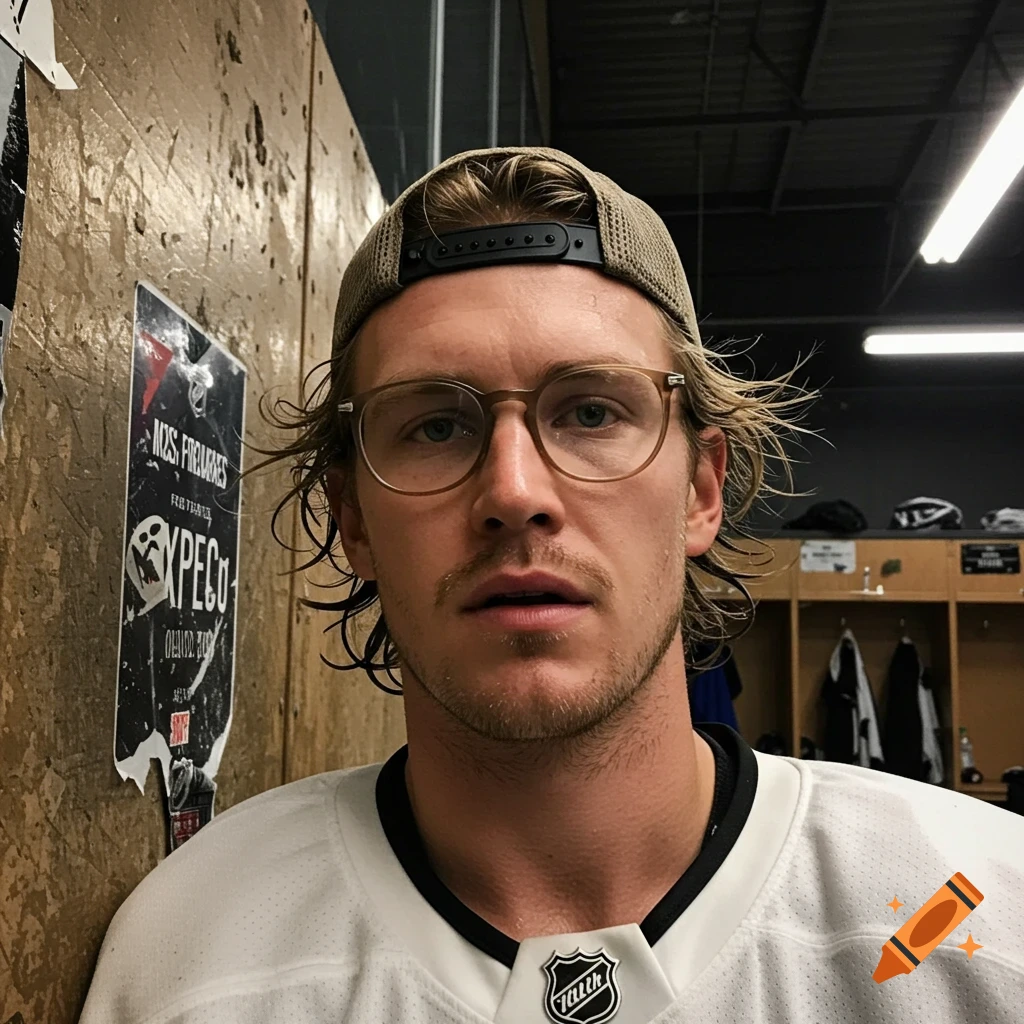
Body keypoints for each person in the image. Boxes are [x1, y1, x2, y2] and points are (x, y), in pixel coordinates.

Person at [80, 147, 1024, 1024]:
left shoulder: (977, 914)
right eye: (435, 426)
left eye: (591, 411)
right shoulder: (191, 960)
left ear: (701, 490)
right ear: (354, 518)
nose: (515, 493)